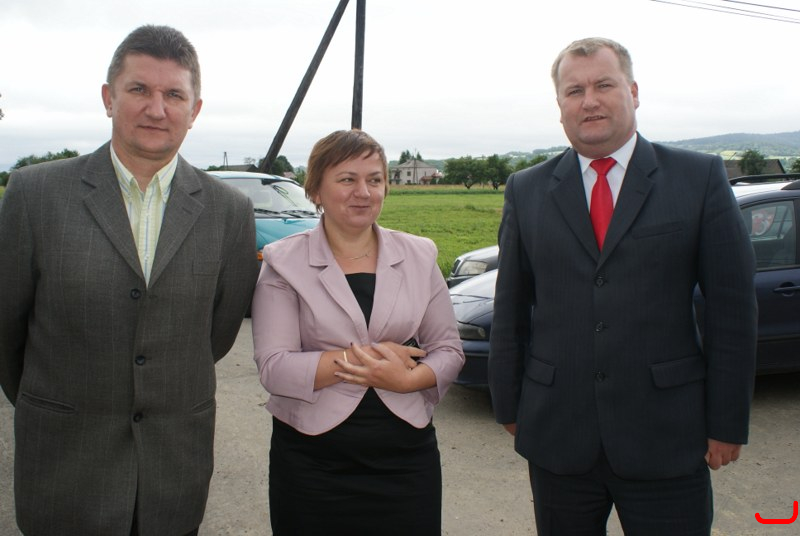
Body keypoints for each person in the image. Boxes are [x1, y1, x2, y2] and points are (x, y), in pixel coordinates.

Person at [488, 37, 757, 535]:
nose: (589, 100)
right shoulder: (526, 189)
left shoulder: (697, 178)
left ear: (633, 92)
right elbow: (510, 309)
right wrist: (508, 404)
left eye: (604, 85)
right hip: (557, 436)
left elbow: (733, 311)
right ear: (560, 105)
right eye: (574, 91)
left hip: (668, 436)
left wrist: (727, 422)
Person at [0, 25, 258, 536]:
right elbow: (7, 329)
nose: (156, 109)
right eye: (139, 89)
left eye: (174, 95)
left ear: (195, 110)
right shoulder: (34, 194)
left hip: (172, 475)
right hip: (63, 471)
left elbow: (217, 333)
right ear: (108, 98)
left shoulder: (230, 210)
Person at [251, 129, 465, 535]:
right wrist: (368, 360)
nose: (363, 192)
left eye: (374, 180)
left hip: (406, 461)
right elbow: (275, 368)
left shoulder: (420, 255)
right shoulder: (283, 261)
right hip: (312, 464)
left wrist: (405, 379)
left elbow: (448, 350)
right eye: (347, 179)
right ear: (315, 189)